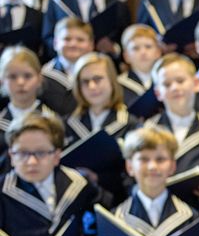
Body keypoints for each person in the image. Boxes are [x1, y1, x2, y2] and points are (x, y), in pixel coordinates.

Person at [147, 53, 199, 207]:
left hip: (198, 213)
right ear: (158, 93)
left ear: (196, 83)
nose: (175, 88)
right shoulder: (146, 133)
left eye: (180, 81)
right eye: (167, 84)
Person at [65, 52, 139, 204]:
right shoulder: (67, 124)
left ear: (112, 80)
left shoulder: (130, 123)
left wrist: (98, 178)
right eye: (85, 81)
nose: (92, 86)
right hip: (75, 201)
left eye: (98, 79)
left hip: (119, 201)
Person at [0, 46, 54, 174]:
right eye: (12, 77)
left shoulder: (53, 120)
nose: (20, 82)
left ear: (39, 79)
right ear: (2, 81)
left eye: (27, 76)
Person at [40, 17, 95, 116]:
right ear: (55, 43)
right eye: (67, 39)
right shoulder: (43, 77)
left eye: (80, 40)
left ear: (91, 45)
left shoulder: (98, 73)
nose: (73, 44)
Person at [117, 24, 163, 109]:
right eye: (136, 48)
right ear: (126, 56)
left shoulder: (165, 81)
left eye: (148, 47)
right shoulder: (118, 86)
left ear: (158, 52)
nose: (143, 52)